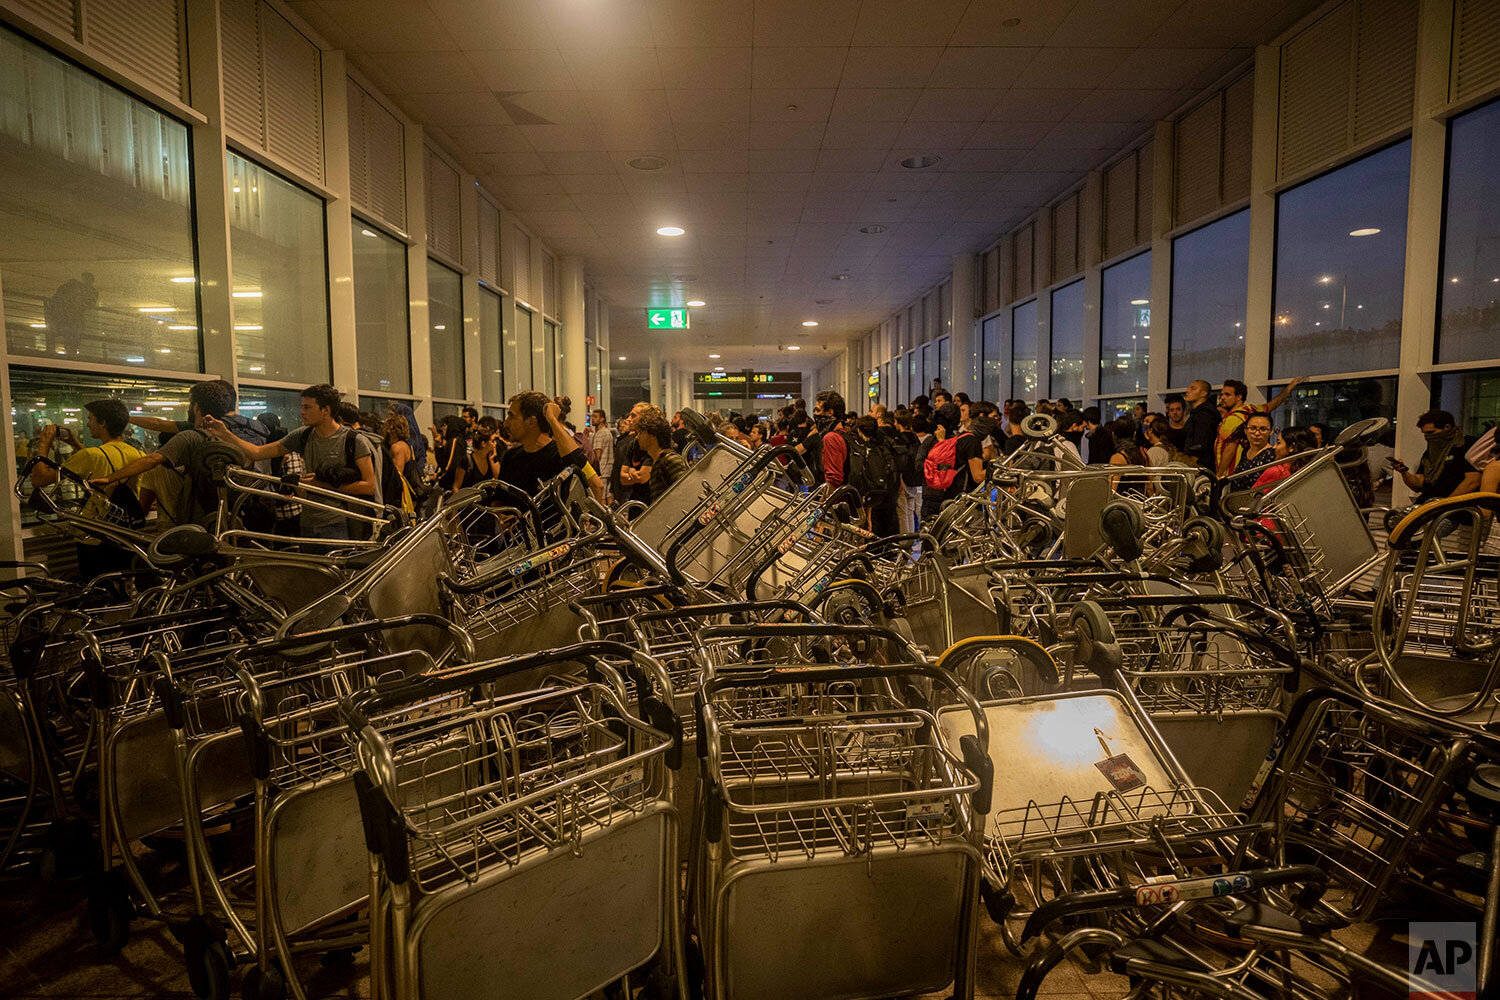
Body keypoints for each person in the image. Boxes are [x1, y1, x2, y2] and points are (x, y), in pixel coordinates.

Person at [200, 384, 377, 541]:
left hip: (340, 522)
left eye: (307, 407)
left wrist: (323, 485)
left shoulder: (354, 440)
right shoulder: (303, 435)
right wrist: (225, 434)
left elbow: (369, 486)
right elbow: (258, 453)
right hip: (307, 521)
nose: (302, 412)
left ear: (326, 410)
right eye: (302, 407)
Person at [91, 379, 263, 526]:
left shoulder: (190, 436)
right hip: (233, 512)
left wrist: (109, 478)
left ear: (196, 407)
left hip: (196, 516)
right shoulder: (236, 436)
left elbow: (152, 459)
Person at [32, 400, 144, 579]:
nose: (87, 424)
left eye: (90, 419)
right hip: (125, 535)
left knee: (97, 590)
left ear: (103, 423)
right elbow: (102, 464)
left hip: (94, 537)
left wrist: (43, 445)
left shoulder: (90, 456)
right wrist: (76, 444)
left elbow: (39, 480)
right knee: (120, 585)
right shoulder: (138, 454)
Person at [497, 392, 604, 502]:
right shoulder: (510, 457)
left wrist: (552, 419)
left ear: (531, 422)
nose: (505, 423)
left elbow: (597, 485)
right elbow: (498, 500)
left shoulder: (563, 455)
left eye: (511, 417)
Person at [1214, 377, 1306, 479]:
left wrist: (1219, 474)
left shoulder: (1233, 418)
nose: (1222, 397)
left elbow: (1230, 448)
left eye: (1227, 394)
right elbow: (1275, 402)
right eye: (1222, 394)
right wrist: (1290, 386)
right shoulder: (1253, 409)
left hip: (1230, 473)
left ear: (1239, 397)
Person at [1390, 409, 1480, 503]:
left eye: (1431, 433)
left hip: (1454, 506)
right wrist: (1404, 472)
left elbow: (1473, 481)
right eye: (1425, 434)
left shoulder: (1466, 445)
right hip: (1428, 503)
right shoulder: (1430, 453)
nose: (1428, 437)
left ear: (1447, 427)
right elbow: (1418, 484)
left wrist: (1445, 503)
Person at [635, 412, 688, 502]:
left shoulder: (670, 460)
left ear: (652, 435)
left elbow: (686, 493)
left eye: (641, 433)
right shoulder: (658, 461)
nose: (637, 437)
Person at [45, 272, 98, 357]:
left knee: (70, 335)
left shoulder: (74, 289)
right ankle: (71, 352)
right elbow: (90, 304)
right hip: (74, 318)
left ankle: (70, 352)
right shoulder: (87, 291)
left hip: (69, 318)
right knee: (73, 335)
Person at [1252, 426, 1318, 491]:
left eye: (1278, 443)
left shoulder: (1277, 471)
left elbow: (1250, 499)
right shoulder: (1313, 472)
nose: (1274, 447)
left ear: (1291, 447)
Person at [1180, 379, 1220, 472]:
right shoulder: (1198, 413)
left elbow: (1201, 443)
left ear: (1203, 393)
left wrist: (1191, 466)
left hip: (1200, 466)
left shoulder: (1204, 414)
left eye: (1193, 389)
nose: (1188, 391)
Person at [432, 415, 468, 492]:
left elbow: (451, 465)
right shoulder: (453, 441)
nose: (442, 428)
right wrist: (438, 447)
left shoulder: (455, 441)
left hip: (452, 485)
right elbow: (442, 463)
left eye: (445, 425)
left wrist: (439, 476)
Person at [591, 409, 615, 492]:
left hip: (601, 469)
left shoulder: (600, 434)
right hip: (608, 469)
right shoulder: (608, 432)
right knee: (608, 494)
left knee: (601, 497)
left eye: (595, 417)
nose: (592, 419)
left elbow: (597, 455)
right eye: (592, 417)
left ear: (602, 419)